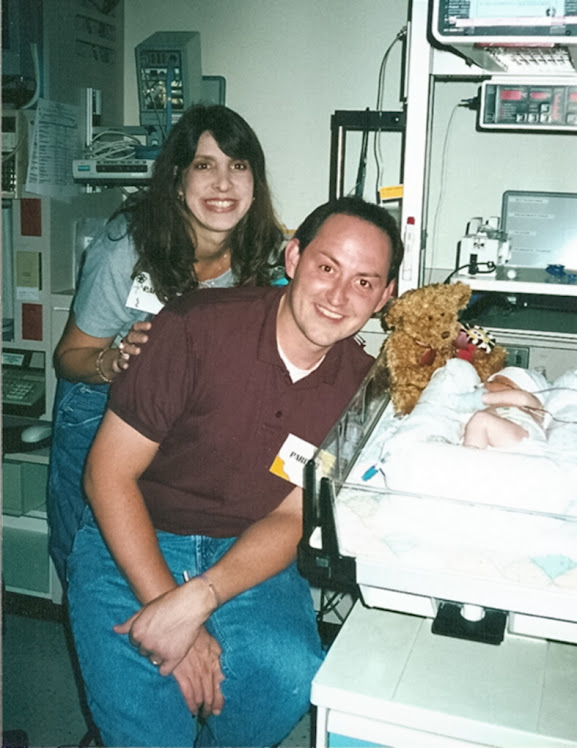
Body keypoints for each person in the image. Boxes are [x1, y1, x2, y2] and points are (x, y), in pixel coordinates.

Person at [66, 196, 404, 747]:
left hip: (246, 551)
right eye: (326, 268)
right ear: (293, 258)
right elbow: (107, 476)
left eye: (365, 282)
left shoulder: (365, 392)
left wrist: (195, 602)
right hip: (133, 531)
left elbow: (294, 515)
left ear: (385, 296)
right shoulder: (191, 328)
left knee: (287, 677)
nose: (340, 297)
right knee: (147, 721)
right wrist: (172, 612)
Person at [48, 104, 284, 584]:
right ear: (178, 179)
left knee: (161, 544)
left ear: (255, 182)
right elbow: (68, 358)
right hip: (101, 401)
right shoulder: (127, 247)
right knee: (92, 555)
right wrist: (114, 361)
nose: (223, 183)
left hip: (182, 412)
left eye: (238, 167)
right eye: (204, 166)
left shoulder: (264, 251)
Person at [463, 366, 549, 450]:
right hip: (496, 450)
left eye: (495, 381)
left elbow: (522, 398)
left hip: (524, 440)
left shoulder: (531, 406)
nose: (485, 384)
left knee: (480, 420)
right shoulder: (487, 409)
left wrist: (479, 399)